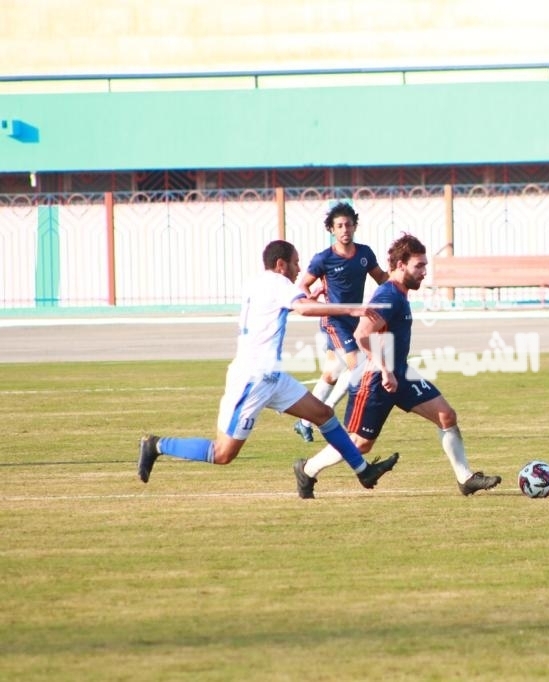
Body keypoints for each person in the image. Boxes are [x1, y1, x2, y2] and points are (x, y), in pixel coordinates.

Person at [137, 239, 399, 490]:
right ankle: (157, 445)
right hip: (253, 378)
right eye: (296, 263)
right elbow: (303, 309)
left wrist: (313, 297)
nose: (299, 270)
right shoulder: (278, 282)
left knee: (324, 415)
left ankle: (363, 471)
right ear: (281, 265)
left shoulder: (259, 283)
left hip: (272, 376)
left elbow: (289, 306)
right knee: (223, 453)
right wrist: (351, 309)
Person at [293, 233, 502, 498]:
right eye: (419, 266)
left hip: (400, 373)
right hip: (374, 379)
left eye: (425, 265)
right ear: (401, 265)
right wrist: (386, 369)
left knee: (446, 415)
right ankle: (308, 469)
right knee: (360, 444)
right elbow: (361, 335)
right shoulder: (388, 294)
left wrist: (394, 370)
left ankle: (465, 478)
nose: (424, 272)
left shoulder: (400, 293)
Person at [292, 201, 388, 443]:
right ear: (331, 230)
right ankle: (325, 413)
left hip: (356, 320)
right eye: (339, 226)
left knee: (332, 374)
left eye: (348, 224)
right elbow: (303, 284)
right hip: (333, 321)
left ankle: (303, 422)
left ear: (355, 226)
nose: (345, 229)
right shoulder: (323, 259)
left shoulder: (365, 254)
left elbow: (382, 280)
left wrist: (400, 283)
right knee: (358, 366)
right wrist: (308, 296)